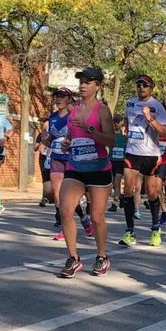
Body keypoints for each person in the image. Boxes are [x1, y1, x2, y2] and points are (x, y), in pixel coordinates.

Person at [58, 67, 115, 278]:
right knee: (65, 210)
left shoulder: (102, 110)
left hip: (98, 168)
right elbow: (72, 135)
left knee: (97, 217)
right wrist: (67, 143)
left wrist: (90, 130)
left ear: (97, 86)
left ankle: (102, 256)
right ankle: (73, 258)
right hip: (75, 167)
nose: (83, 85)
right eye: (81, 81)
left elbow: (110, 140)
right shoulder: (73, 109)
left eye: (88, 82)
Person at [119, 74, 166, 247]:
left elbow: (165, 132)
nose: (141, 88)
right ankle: (130, 231)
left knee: (151, 192)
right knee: (127, 189)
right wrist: (125, 128)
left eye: (145, 85)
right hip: (132, 152)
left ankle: (155, 228)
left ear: (151, 88)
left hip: (150, 154)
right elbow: (127, 121)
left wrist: (150, 119)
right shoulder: (130, 103)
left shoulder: (157, 106)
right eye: (139, 85)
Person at [43, 87, 92, 241]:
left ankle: (83, 218)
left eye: (62, 96)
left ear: (69, 99)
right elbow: (50, 139)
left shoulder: (75, 115)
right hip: (56, 158)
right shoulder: (52, 117)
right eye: (56, 96)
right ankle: (65, 228)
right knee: (58, 194)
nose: (58, 99)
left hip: (72, 159)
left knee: (70, 196)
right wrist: (45, 138)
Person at [108, 115, 127, 212]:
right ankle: (121, 197)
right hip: (111, 161)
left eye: (118, 121)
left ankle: (115, 203)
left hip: (120, 162)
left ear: (121, 123)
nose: (116, 123)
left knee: (117, 181)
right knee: (112, 183)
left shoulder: (125, 137)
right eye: (114, 121)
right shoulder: (110, 135)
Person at [34, 121, 52, 207]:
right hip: (44, 157)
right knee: (45, 178)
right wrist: (40, 143)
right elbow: (35, 148)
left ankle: (53, 197)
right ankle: (44, 197)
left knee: (55, 177)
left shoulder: (55, 134)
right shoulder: (41, 135)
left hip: (53, 157)